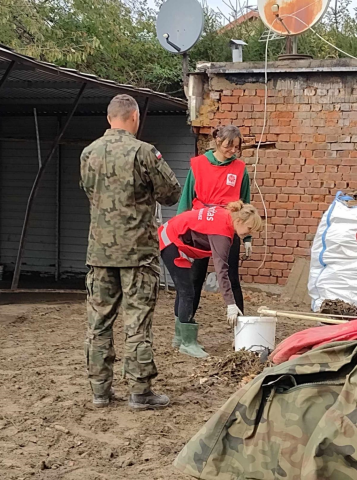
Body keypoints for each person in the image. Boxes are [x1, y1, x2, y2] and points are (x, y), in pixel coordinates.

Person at [80, 94, 181, 410]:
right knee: (137, 323)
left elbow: (87, 190)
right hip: (138, 254)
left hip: (99, 254)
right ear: (135, 118)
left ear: (110, 119)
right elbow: (171, 193)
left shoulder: (88, 153)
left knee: (98, 323)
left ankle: (100, 392)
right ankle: (140, 392)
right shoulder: (144, 152)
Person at [159, 201, 262, 358]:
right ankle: (187, 343)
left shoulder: (227, 215)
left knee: (184, 289)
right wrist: (231, 305)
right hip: (171, 240)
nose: (249, 233)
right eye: (249, 229)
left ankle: (180, 338)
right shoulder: (222, 233)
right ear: (239, 221)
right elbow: (222, 271)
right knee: (187, 292)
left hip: (173, 234)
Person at [177, 126, 252, 326]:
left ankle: (241, 329)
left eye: (236, 147)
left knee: (232, 277)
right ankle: (185, 325)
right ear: (218, 141)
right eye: (229, 146)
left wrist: (247, 237)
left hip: (228, 226)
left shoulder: (239, 169)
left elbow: (245, 202)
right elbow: (186, 199)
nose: (233, 151)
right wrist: (180, 232)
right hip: (201, 225)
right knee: (195, 277)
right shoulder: (199, 165)